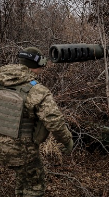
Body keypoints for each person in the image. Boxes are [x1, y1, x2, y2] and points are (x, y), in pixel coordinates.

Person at [0, 47, 73, 197]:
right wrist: (67, 141)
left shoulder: (2, 78)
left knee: (22, 178)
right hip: (23, 150)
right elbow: (55, 122)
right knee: (34, 186)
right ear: (37, 64)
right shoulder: (37, 91)